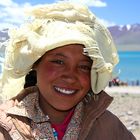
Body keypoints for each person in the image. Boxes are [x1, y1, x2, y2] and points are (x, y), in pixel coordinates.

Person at [0, 2, 136, 140]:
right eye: (58, 62)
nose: (70, 76)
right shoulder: (5, 127)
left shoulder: (109, 128)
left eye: (84, 66)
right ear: (35, 64)